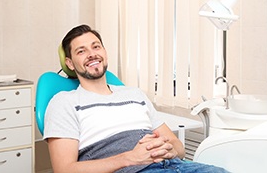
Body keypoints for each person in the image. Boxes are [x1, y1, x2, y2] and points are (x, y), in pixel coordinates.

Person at [43, 24, 229, 173]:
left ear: (104, 52)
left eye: (96, 46)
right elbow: (65, 169)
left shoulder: (134, 94)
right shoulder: (63, 102)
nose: (92, 54)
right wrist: (129, 158)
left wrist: (171, 150)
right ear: (70, 63)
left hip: (177, 166)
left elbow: (178, 146)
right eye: (81, 51)